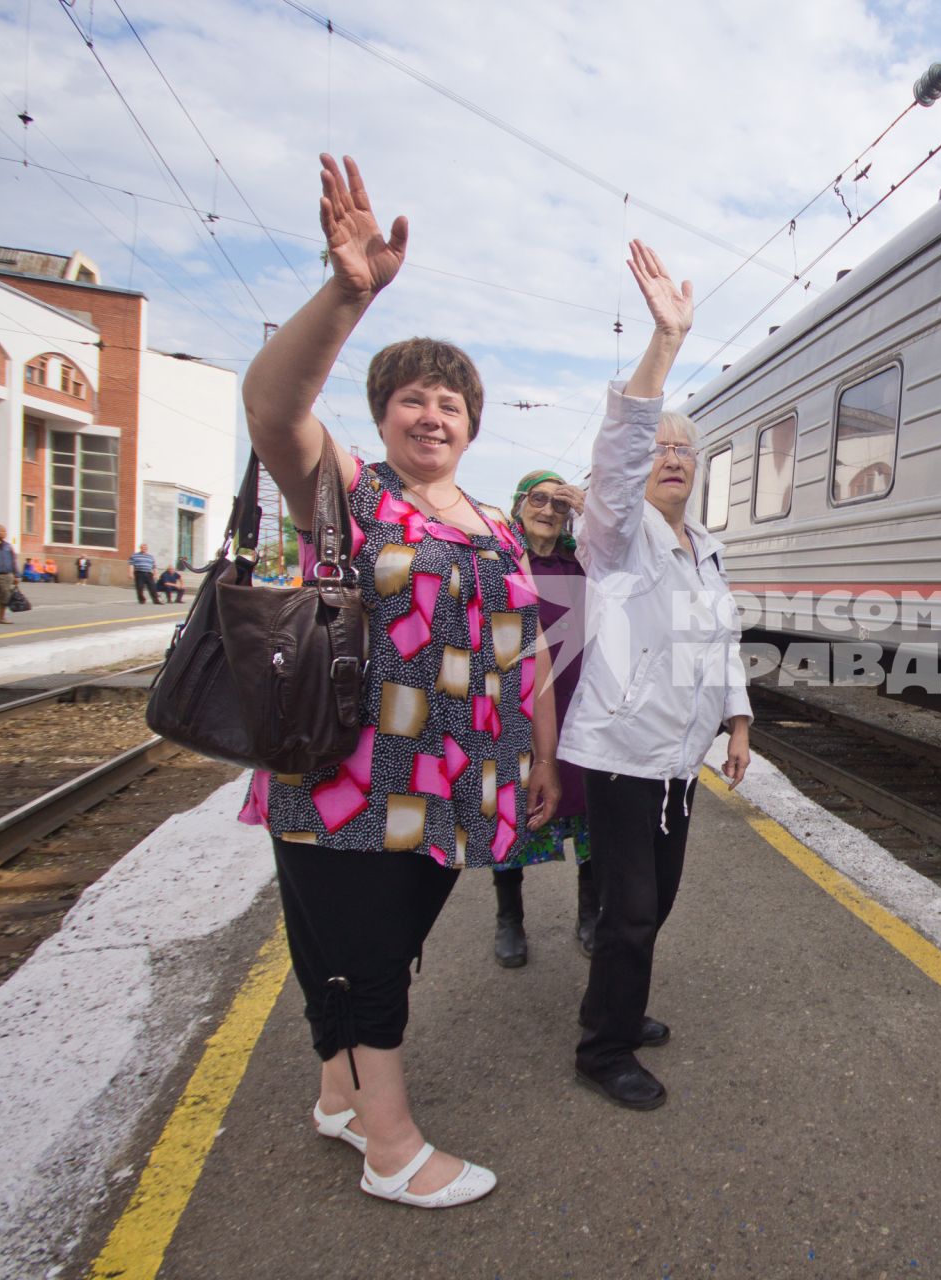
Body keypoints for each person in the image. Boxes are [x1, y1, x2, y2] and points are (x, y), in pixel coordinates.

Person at [235, 153, 558, 1209]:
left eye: (450, 399)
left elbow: (530, 649)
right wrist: (348, 292)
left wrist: (545, 753)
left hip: (461, 775)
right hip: (346, 769)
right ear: (382, 415)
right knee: (366, 956)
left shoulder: (502, 527)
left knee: (377, 944)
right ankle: (392, 1146)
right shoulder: (348, 492)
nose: (432, 412)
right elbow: (271, 404)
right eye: (411, 397)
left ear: (474, 420)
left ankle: (338, 1091)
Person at [561, 240, 752, 1111]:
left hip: (679, 759)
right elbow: (622, 448)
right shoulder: (618, 535)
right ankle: (603, 1049)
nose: (671, 455)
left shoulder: (705, 549)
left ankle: (619, 1006)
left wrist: (738, 722)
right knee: (633, 909)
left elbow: (722, 645)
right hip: (623, 751)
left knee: (655, 903)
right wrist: (665, 347)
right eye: (661, 446)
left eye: (685, 447)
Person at [488, 469, 594, 968]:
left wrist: (592, 510)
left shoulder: (582, 562)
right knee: (512, 813)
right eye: (537, 499)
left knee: (594, 817)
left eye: (559, 503)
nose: (548, 510)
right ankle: (509, 918)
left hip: (579, 706)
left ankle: (590, 914)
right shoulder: (500, 559)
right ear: (518, 504)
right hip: (515, 709)